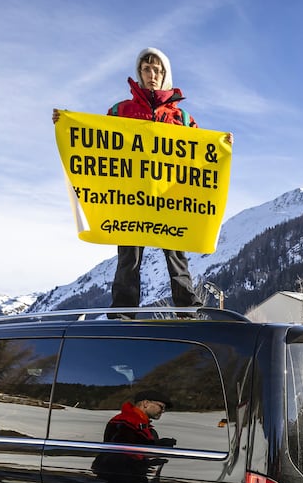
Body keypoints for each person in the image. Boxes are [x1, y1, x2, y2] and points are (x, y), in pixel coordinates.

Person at [54, 47, 232, 310]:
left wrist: (222, 145)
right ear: (139, 73)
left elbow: (200, 156)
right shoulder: (120, 111)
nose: (152, 75)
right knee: (129, 255)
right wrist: (66, 123)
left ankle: (186, 308)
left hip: (169, 196)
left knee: (176, 252)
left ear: (165, 75)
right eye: (147, 69)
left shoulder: (181, 118)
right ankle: (124, 310)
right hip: (131, 197)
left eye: (157, 70)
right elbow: (99, 143)